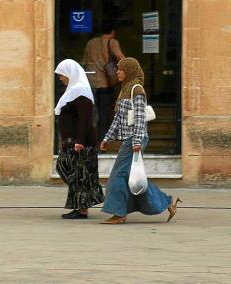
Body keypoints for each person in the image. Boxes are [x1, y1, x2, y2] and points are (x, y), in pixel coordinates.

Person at [99, 57, 182, 224]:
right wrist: (107, 138)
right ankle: (167, 203)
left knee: (118, 176)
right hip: (130, 139)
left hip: (134, 140)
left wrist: (136, 141)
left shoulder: (136, 90)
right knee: (134, 179)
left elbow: (139, 118)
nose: (117, 72)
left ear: (129, 71)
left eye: (120, 69)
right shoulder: (125, 89)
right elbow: (118, 119)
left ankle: (119, 213)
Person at [54, 59, 105, 219]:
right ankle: (82, 203)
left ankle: (82, 208)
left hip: (80, 143)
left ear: (70, 73)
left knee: (80, 174)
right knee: (68, 169)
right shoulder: (73, 91)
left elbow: (85, 119)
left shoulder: (81, 92)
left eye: (61, 75)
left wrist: (80, 141)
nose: (60, 78)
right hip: (71, 142)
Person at [82, 21, 125, 141]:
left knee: (91, 115)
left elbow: (84, 62)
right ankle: (102, 141)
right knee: (104, 115)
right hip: (105, 84)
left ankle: (90, 140)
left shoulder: (90, 43)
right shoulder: (112, 42)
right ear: (113, 32)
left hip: (90, 84)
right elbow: (121, 58)